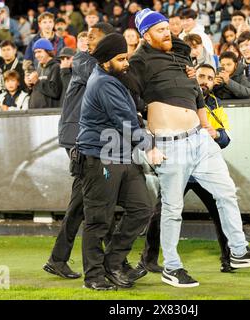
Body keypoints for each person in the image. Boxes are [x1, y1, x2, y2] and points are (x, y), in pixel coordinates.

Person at [131, 9, 250, 288]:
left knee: (226, 192)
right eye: (160, 30)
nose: (168, 33)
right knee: (172, 209)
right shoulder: (138, 62)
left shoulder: (180, 51)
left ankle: (238, 251)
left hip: (199, 139)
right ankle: (172, 267)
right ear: (145, 35)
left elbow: (195, 92)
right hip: (169, 144)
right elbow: (128, 107)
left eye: (167, 28)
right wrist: (146, 144)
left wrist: (206, 125)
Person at [77, 33, 157, 290]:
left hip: (120, 156)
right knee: (98, 220)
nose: (126, 63)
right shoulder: (104, 83)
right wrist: (150, 147)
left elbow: (131, 114)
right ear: (105, 60)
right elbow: (125, 121)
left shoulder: (114, 78)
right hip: (99, 157)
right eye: (121, 58)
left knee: (142, 208)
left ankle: (113, 262)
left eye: (126, 57)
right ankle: (93, 276)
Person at [44, 23, 115, 280]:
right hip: (77, 138)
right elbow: (103, 77)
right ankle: (114, 259)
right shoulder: (84, 61)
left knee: (83, 200)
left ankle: (58, 258)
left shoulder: (92, 63)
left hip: (85, 137)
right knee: (97, 195)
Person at [192, 63, 234, 272]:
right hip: (182, 166)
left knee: (221, 211)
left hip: (205, 168)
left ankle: (229, 258)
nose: (205, 81)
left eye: (209, 78)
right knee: (162, 213)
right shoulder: (183, 99)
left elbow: (225, 139)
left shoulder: (215, 103)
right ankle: (149, 259)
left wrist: (216, 134)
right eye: (201, 76)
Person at [25, 38, 62, 108]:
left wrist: (37, 82)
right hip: (36, 112)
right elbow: (39, 89)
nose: (36, 55)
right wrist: (30, 85)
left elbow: (55, 91)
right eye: (35, 52)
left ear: (48, 52)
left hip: (48, 114)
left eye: (39, 52)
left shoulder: (56, 67)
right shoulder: (39, 68)